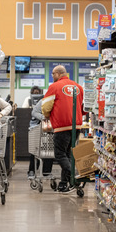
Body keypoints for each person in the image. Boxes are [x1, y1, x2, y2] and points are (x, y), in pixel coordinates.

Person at [42, 65, 84, 193]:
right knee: (68, 154)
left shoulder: (54, 87)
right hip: (76, 126)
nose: (52, 76)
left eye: (53, 74)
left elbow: (45, 107)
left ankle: (74, 174)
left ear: (59, 74)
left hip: (61, 125)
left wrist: (48, 116)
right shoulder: (79, 87)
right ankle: (63, 183)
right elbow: (84, 108)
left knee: (60, 154)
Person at [27, 96, 53, 179]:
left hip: (51, 128)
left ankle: (47, 171)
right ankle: (32, 170)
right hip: (37, 128)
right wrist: (45, 118)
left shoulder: (60, 103)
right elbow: (34, 112)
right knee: (35, 149)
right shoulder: (43, 101)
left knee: (50, 149)